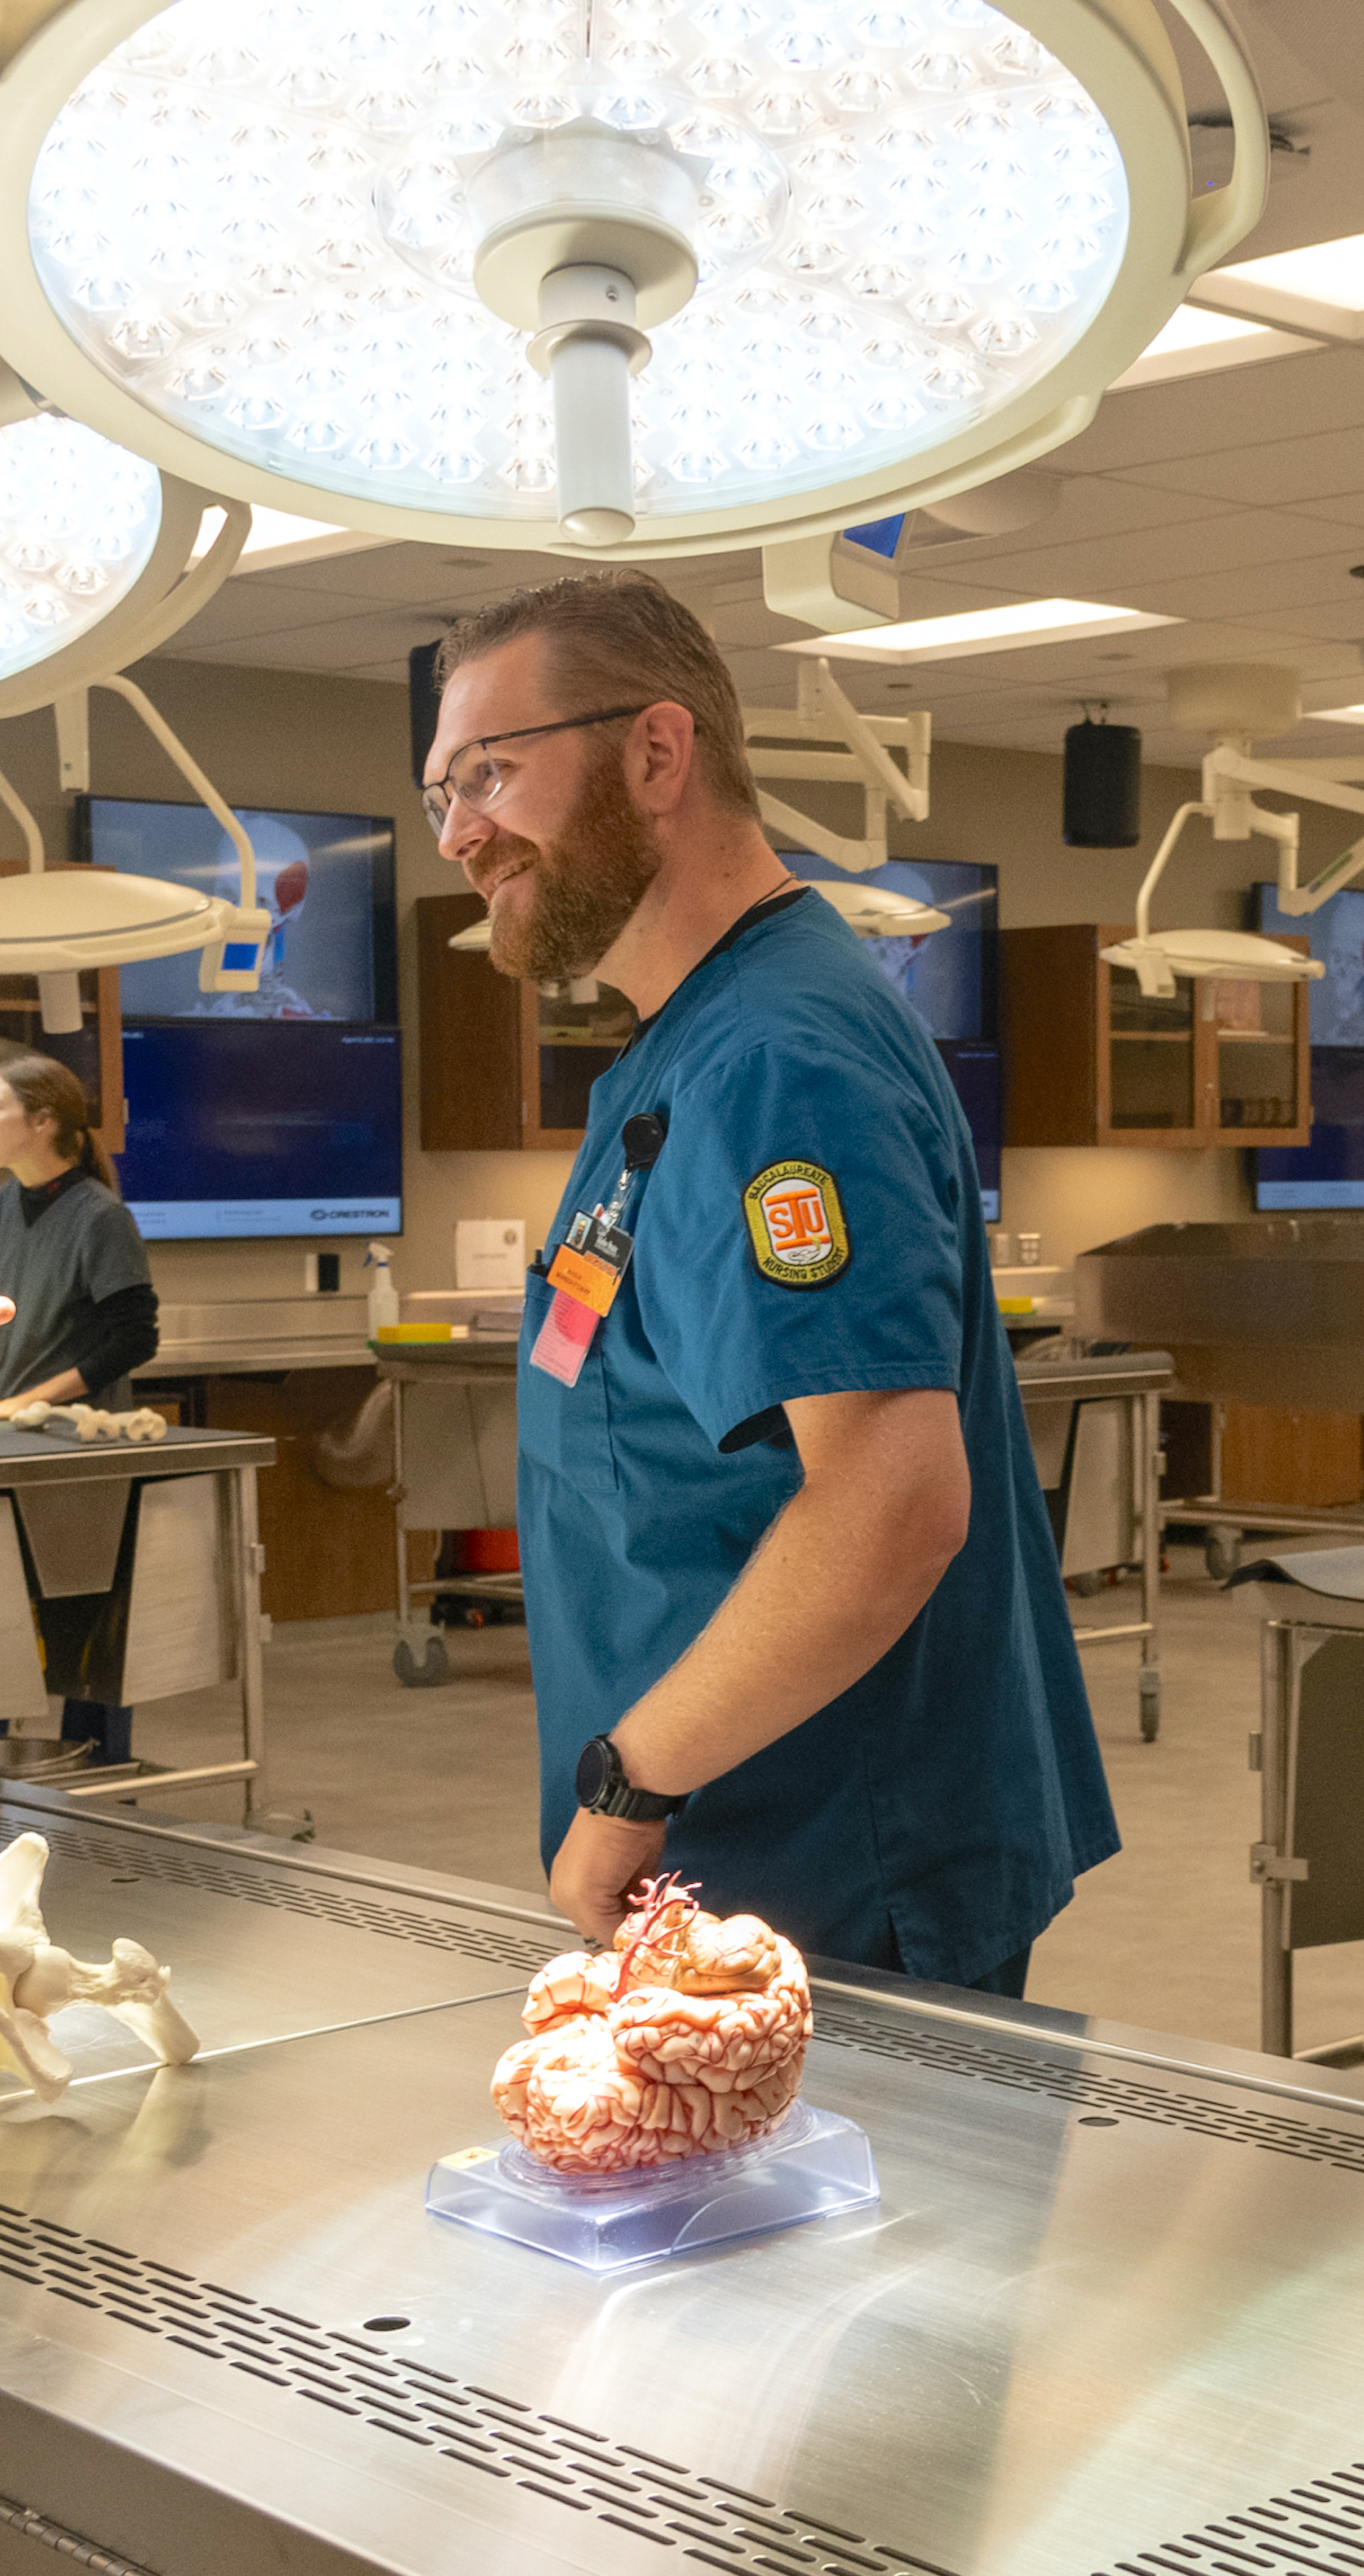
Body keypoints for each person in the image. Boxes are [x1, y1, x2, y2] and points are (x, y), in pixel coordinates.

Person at [430, 571, 1115, 1987]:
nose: (457, 835)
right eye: (443, 793)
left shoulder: (774, 1060)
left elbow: (890, 1504)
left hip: (830, 1873)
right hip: (742, 1860)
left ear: (656, 753)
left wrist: (629, 1779)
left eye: (489, 773)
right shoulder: (692, 1047)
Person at [0, 1052, 160, 1419]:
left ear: (42, 1120)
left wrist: (27, 1402)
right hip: (14, 1421)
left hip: (80, 1429)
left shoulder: (101, 1216)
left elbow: (135, 1341)